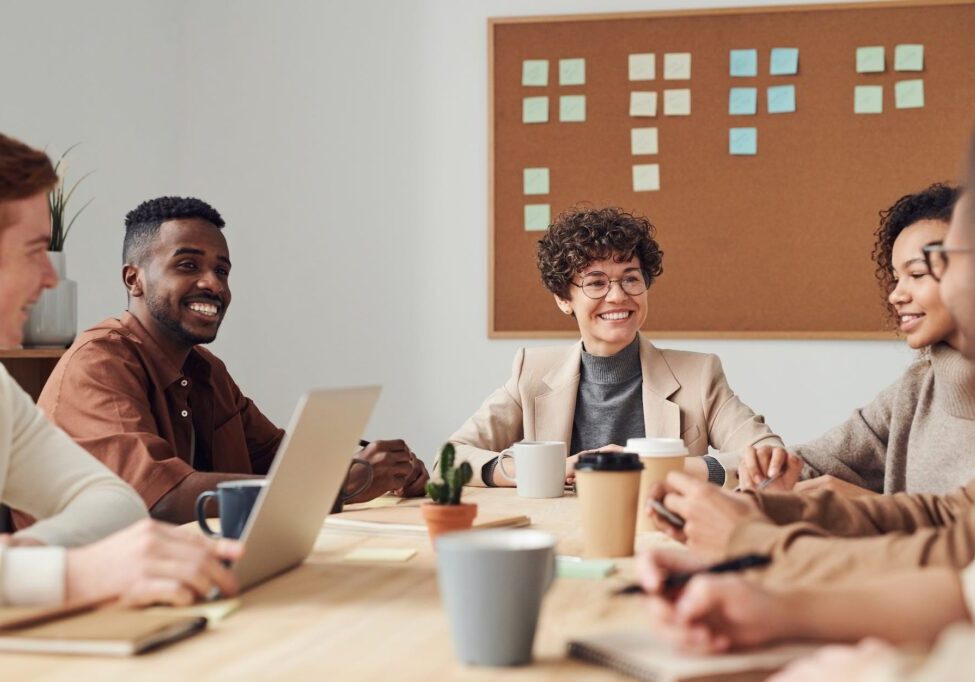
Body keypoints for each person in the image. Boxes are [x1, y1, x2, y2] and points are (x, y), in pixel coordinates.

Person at [639, 137, 975, 678]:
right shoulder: (920, 384)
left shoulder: (700, 369)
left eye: (935, 265)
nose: (897, 295)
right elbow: (943, 517)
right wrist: (764, 511)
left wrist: (751, 540)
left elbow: (952, 554)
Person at [22, 196, 429, 525]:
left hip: (190, 569)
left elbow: (277, 458)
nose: (213, 284)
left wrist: (377, 465)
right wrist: (338, 484)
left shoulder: (206, 369)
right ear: (134, 280)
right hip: (88, 597)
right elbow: (160, 497)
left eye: (223, 270)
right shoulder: (99, 362)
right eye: (188, 265)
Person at [0, 132, 240, 606]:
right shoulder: (100, 359)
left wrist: (20, 563)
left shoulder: (2, 394)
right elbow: (153, 500)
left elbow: (116, 505)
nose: (51, 278)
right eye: (33, 251)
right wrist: (71, 574)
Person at [450, 206, 782, 488]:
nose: (618, 295)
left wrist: (653, 466)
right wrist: (549, 470)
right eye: (596, 282)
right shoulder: (531, 372)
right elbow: (451, 457)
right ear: (564, 299)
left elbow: (769, 456)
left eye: (631, 278)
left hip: (660, 535)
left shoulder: (699, 374)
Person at [738, 184, 975, 498]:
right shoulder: (917, 388)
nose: (896, 295)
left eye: (916, 275)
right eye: (895, 277)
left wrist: (865, 505)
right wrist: (774, 469)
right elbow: (820, 461)